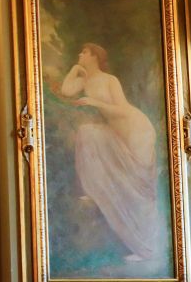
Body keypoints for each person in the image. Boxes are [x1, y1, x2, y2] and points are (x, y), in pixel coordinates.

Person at [58, 42, 157, 262]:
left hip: (135, 129)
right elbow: (66, 91)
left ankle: (146, 247)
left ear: (94, 56)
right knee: (86, 132)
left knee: (138, 189)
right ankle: (93, 187)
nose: (79, 54)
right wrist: (75, 69)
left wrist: (94, 101)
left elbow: (122, 109)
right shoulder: (85, 80)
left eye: (83, 52)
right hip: (116, 131)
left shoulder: (110, 80)